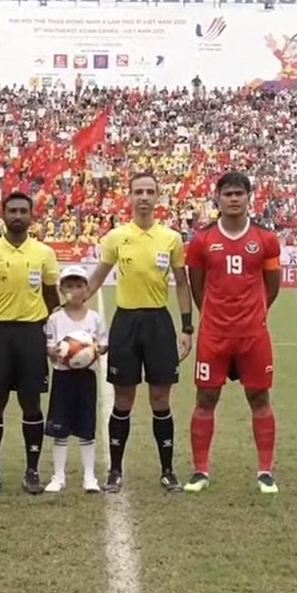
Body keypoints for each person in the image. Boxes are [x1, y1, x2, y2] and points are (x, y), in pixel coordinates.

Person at [83, 171, 193, 494]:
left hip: (159, 323)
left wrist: (186, 327)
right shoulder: (116, 237)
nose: (143, 197)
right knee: (123, 399)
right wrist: (71, 306)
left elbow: (182, 284)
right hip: (126, 323)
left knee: (161, 398)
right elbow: (96, 279)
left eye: (149, 191)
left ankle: (168, 470)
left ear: (158, 197)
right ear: (129, 197)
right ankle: (115, 470)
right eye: (138, 192)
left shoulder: (171, 238)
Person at [181, 172, 282, 494]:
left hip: (253, 335)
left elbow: (273, 286)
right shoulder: (201, 240)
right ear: (218, 198)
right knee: (206, 397)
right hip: (214, 336)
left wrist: (256, 313)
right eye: (228, 194)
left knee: (259, 397)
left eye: (240, 193)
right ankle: (200, 471)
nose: (234, 198)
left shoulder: (265, 239)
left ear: (249, 196)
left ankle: (265, 471)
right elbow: (197, 285)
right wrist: (211, 314)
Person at [0, 192, 60, 495]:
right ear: (3, 214)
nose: (18, 216)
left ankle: (32, 471)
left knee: (31, 403)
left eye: (23, 210)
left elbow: (52, 299)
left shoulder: (44, 254)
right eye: (12, 211)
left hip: (32, 335)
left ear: (32, 215)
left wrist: (56, 336)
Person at [43, 265, 109, 492]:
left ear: (86, 289)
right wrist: (60, 352)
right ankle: (58, 476)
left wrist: (94, 350)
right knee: (59, 428)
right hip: (63, 377)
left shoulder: (95, 318)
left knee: (86, 427)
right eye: (69, 286)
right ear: (61, 289)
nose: (74, 290)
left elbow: (103, 343)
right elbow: (49, 346)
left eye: (79, 285)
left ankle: (89, 477)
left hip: (86, 378)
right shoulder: (55, 318)